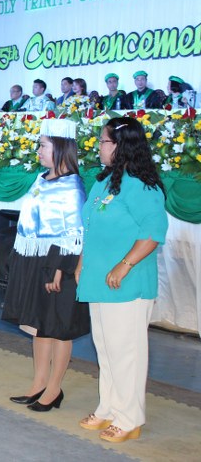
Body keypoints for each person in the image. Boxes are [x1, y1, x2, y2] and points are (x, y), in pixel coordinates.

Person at [77, 117, 168, 443]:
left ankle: (130, 418)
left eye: (104, 141)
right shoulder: (104, 182)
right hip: (99, 280)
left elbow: (153, 233)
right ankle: (109, 408)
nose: (99, 147)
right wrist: (83, 262)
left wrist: (124, 265)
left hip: (127, 283)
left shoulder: (143, 187)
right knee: (105, 348)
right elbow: (92, 228)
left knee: (126, 351)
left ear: (121, 146)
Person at [1, 119, 89, 412]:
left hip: (58, 264)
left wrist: (59, 269)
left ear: (61, 148)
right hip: (35, 259)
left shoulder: (72, 186)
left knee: (58, 327)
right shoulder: (41, 179)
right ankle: (38, 383)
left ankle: (54, 388)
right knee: (40, 325)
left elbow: (75, 233)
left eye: (43, 146)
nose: (38, 151)